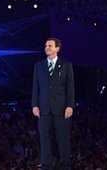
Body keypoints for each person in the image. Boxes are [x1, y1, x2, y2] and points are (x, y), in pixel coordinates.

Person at [31, 37, 75, 170]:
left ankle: (65, 166)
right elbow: (35, 87)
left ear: (57, 48)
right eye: (45, 46)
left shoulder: (66, 65)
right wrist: (35, 105)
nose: (47, 48)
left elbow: (70, 87)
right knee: (45, 139)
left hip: (61, 108)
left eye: (50, 46)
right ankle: (46, 166)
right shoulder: (38, 65)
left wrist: (70, 105)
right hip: (44, 108)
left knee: (62, 139)